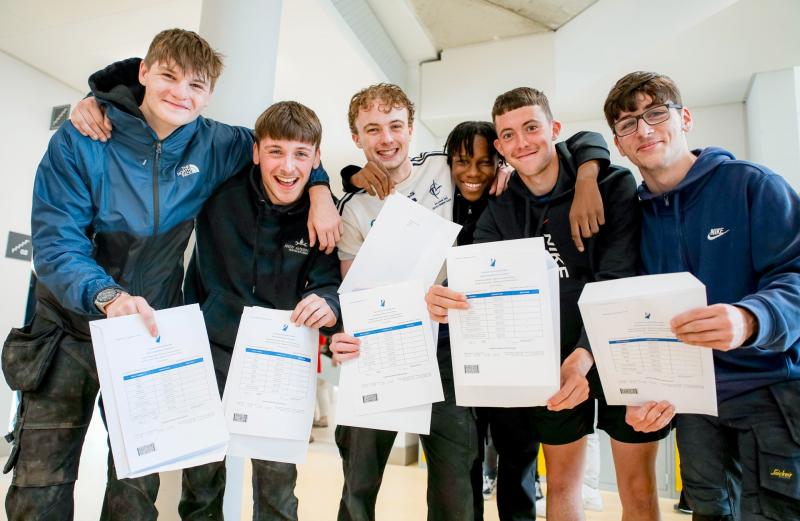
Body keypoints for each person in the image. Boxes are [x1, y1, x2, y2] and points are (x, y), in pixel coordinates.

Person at [1, 29, 337, 521]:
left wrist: (322, 189)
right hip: (67, 330)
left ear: (210, 94)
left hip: (151, 333)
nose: (182, 93)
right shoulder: (84, 137)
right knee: (41, 486)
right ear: (142, 73)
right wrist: (108, 295)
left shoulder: (219, 144)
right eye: (168, 77)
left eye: (197, 86)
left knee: (136, 490)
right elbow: (56, 243)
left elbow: (287, 150)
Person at [425, 87, 669, 521]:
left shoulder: (611, 184)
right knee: (560, 486)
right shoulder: (502, 207)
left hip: (617, 350)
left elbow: (616, 278)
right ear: (500, 146)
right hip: (554, 367)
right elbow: (477, 278)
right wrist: (444, 295)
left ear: (555, 130)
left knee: (636, 488)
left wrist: (584, 355)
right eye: (509, 135)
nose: (522, 142)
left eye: (532, 128)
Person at [604, 71, 800, 521]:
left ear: (685, 117)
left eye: (655, 113)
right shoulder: (632, 218)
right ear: (619, 144)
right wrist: (643, 391)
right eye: (629, 124)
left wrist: (751, 318)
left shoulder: (752, 185)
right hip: (693, 406)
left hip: (771, 392)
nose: (645, 130)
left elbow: (795, 272)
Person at [179, 100, 341, 520]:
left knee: (277, 492)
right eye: (275, 151)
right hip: (209, 353)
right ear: (256, 151)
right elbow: (175, 121)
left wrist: (327, 302)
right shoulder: (219, 190)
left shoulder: (321, 214)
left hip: (278, 362)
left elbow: (329, 282)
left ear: (316, 159)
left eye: (301, 155)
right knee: (200, 486)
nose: (287, 167)